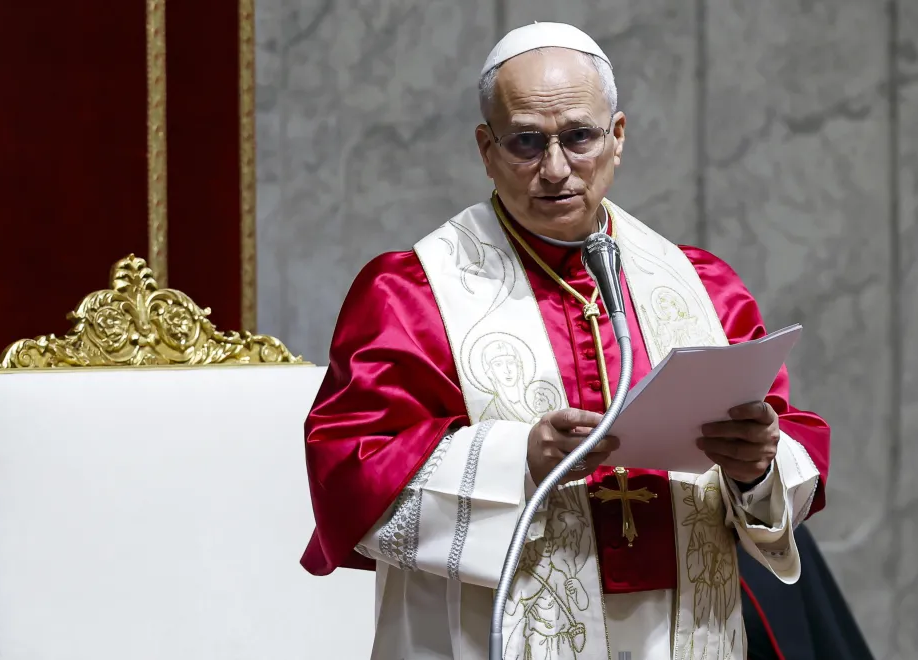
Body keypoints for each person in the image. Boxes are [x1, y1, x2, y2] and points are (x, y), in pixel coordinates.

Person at [300, 22, 831, 660]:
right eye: (527, 141)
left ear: (618, 137)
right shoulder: (412, 294)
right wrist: (518, 455)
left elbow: (790, 439)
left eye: (579, 136)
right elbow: (350, 466)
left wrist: (756, 470)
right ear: (485, 148)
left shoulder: (701, 285)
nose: (555, 169)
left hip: (681, 632)